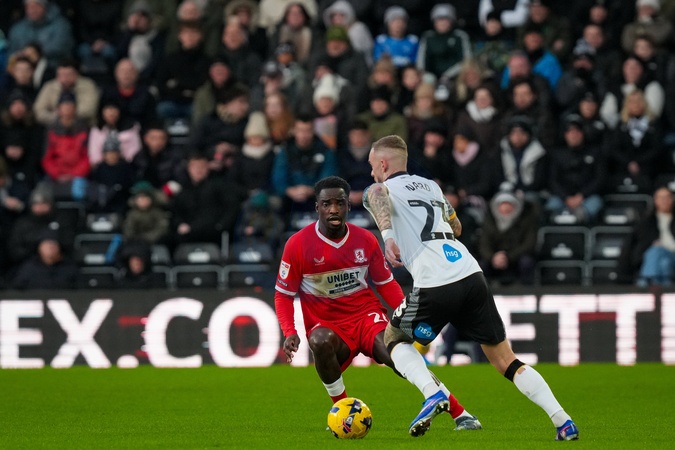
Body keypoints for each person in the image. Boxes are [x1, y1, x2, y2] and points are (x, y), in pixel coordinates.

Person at [363, 135, 578, 440]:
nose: (372, 172)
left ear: (383, 164)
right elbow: (457, 227)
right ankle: (563, 421)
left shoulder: (379, 188)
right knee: (505, 360)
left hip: (435, 279)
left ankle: (433, 394)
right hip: (470, 272)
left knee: (394, 339)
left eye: (373, 165)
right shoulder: (432, 186)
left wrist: (388, 237)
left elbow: (376, 192)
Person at [274, 175, 481, 431]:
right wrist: (290, 331)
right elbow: (283, 294)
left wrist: (410, 315)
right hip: (328, 325)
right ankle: (343, 410)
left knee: (398, 354)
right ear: (317, 207)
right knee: (319, 341)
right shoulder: (297, 245)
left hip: (366, 317)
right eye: (327, 204)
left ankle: (460, 413)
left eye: (339, 203)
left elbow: (385, 284)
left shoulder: (365, 239)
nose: (334, 209)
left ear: (349, 205)